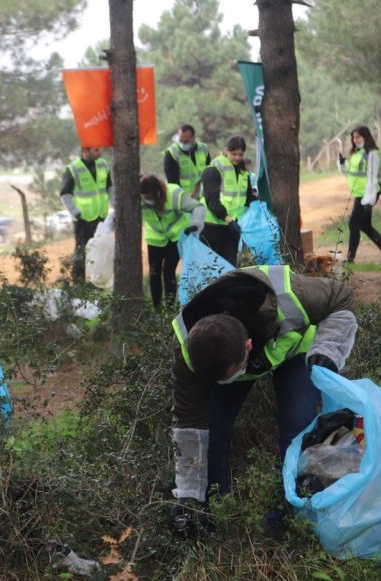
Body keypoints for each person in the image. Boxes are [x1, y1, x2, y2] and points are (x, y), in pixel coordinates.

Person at [168, 264, 357, 535]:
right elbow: (189, 427)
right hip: (231, 359)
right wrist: (188, 497)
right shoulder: (190, 349)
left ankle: (286, 512)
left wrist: (327, 349)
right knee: (213, 431)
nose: (223, 385)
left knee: (296, 430)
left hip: (293, 352)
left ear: (247, 347)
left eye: (228, 376)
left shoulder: (291, 297)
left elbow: (342, 297)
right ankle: (210, 512)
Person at [140, 174, 205, 309]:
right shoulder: (136, 196)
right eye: (144, 197)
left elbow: (197, 207)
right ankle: (157, 308)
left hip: (176, 236)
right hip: (155, 237)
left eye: (148, 197)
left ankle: (170, 308)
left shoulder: (174, 193)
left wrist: (195, 224)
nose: (146, 200)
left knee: (169, 270)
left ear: (157, 192)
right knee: (154, 272)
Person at [337, 126, 381, 265]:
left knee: (353, 224)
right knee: (364, 226)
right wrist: (342, 163)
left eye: (358, 137)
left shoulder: (372, 153)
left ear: (365, 136)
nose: (355, 140)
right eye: (354, 137)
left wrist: (368, 201)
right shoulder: (357, 153)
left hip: (366, 195)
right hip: (360, 195)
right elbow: (349, 173)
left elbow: (372, 178)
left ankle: (350, 259)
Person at [200, 136, 257, 267]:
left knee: (229, 267)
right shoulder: (214, 168)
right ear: (226, 150)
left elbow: (247, 196)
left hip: (231, 227)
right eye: (234, 154)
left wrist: (259, 204)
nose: (237, 157)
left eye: (240, 154)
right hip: (211, 226)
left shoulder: (243, 172)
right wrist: (228, 219)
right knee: (211, 268)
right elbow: (211, 200)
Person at [59, 147, 113, 283]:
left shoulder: (103, 164)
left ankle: (97, 283)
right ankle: (79, 285)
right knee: (81, 252)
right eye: (96, 150)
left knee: (100, 252)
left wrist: (117, 208)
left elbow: (110, 188)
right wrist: (76, 214)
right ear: (85, 150)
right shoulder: (73, 168)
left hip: (102, 218)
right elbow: (65, 194)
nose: (100, 152)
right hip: (83, 219)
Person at [164, 124, 211, 198]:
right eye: (180, 140)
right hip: (183, 197)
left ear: (194, 138)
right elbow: (172, 181)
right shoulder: (172, 153)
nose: (182, 144)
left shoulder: (203, 148)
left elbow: (209, 171)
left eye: (186, 141)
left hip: (202, 195)